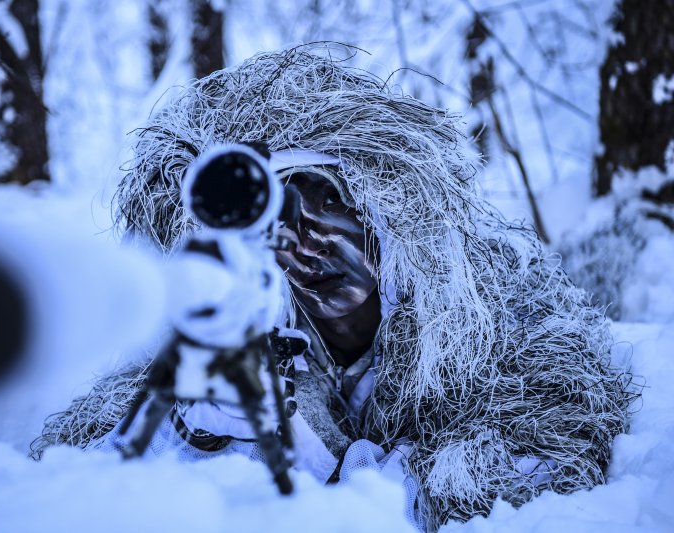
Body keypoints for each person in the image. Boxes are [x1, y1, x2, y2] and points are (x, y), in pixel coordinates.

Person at [32, 46, 634, 531]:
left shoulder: (496, 313)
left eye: (330, 199)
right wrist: (201, 441)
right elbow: (77, 485)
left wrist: (334, 470)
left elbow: (543, 474)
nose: (306, 241)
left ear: (389, 209)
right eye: (278, 219)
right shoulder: (229, 327)